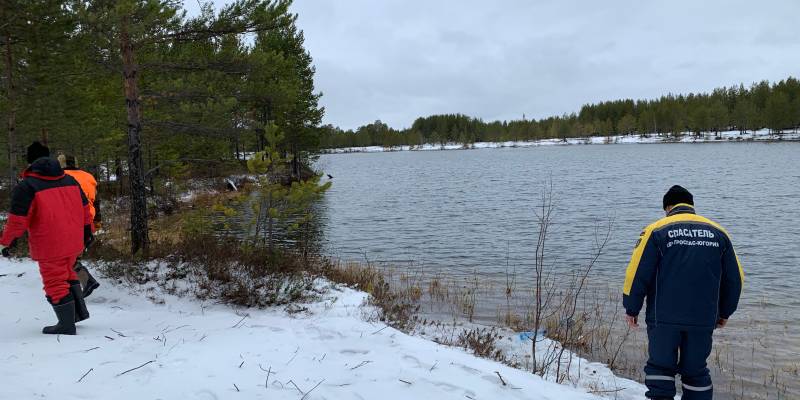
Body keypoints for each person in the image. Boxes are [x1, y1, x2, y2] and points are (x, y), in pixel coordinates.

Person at [623, 185, 744, 400]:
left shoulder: (656, 230)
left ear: (668, 207)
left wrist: (631, 307)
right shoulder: (719, 233)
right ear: (691, 205)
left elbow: (637, 273)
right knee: (696, 372)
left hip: (664, 317)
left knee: (660, 370)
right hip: (703, 318)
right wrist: (725, 312)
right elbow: (735, 280)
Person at [0, 142, 93, 335]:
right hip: (74, 240)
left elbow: (17, 221)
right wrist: (87, 232)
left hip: (50, 243)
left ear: (29, 161)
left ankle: (66, 325)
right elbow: (85, 210)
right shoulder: (69, 180)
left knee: (54, 281)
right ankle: (76, 315)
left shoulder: (26, 186)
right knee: (68, 274)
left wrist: (6, 242)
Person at [59, 154, 101, 297]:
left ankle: (86, 281)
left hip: (70, 220)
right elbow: (96, 201)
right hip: (88, 219)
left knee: (64, 257)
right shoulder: (89, 177)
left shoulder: (60, 177)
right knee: (73, 254)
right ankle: (77, 284)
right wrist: (97, 220)